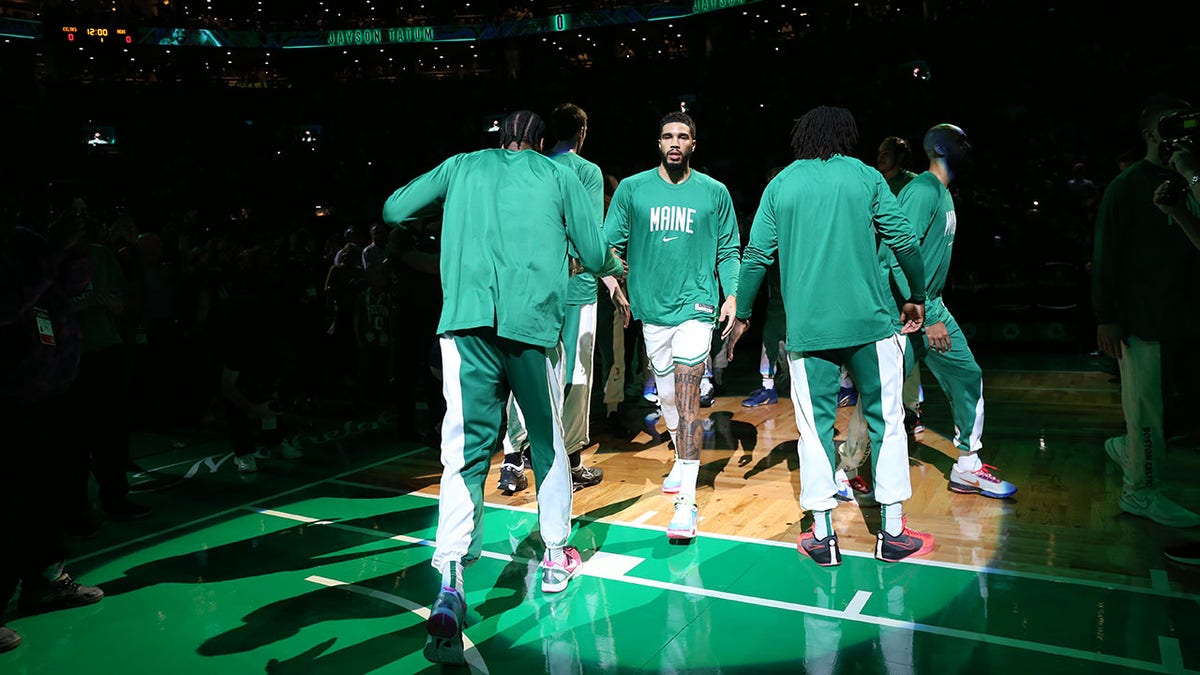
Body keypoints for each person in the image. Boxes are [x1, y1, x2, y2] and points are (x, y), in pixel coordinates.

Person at [382, 110, 619, 665]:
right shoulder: (557, 174)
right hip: (531, 327)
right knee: (547, 441)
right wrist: (613, 264)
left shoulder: (462, 166)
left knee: (464, 453)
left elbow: (394, 209)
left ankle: (451, 580)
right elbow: (590, 249)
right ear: (539, 144)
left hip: (463, 325)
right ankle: (557, 555)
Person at [729, 105, 932, 566]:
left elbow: (756, 256)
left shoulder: (781, 185)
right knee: (888, 423)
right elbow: (904, 242)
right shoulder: (865, 177)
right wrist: (916, 294)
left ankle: (823, 535)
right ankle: (893, 532)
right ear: (847, 135)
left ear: (801, 138)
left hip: (810, 330)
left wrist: (742, 312)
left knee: (814, 428)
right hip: (871, 324)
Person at [843, 125, 1018, 501]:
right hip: (910, 312)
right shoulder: (923, 191)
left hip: (931, 305)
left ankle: (968, 465)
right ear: (940, 147)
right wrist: (926, 311)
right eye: (962, 140)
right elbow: (892, 255)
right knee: (881, 394)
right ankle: (846, 469)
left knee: (966, 374)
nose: (968, 146)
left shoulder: (941, 192)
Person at [605, 111, 741, 541]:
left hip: (697, 308)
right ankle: (682, 462)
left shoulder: (714, 193)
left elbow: (729, 249)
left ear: (694, 144)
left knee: (687, 396)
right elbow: (606, 244)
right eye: (668, 136)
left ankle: (686, 502)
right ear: (659, 143)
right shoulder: (632, 189)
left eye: (683, 136)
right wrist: (612, 283)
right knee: (666, 397)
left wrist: (732, 294)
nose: (675, 142)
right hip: (652, 310)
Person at [497, 102, 629, 494]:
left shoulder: (531, 168)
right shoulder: (586, 173)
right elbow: (589, 235)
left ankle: (512, 460)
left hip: (531, 288)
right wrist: (613, 279)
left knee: (527, 372)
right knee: (577, 377)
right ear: (582, 132)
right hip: (576, 290)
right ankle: (569, 459)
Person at [1, 194, 105, 653]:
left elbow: (74, 284)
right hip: (7, 400)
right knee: (6, 504)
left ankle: (45, 579)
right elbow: (6, 305)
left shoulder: (25, 241)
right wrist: (52, 248)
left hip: (52, 393)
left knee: (51, 493)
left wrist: (76, 244)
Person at [1094, 97, 1200, 527]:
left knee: (1166, 410)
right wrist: (1106, 315)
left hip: (1184, 314)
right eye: (1168, 124)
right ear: (1150, 134)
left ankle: (1127, 450)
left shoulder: (1193, 178)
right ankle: (1139, 492)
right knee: (1146, 407)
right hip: (1143, 317)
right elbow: (1106, 253)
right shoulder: (1128, 185)